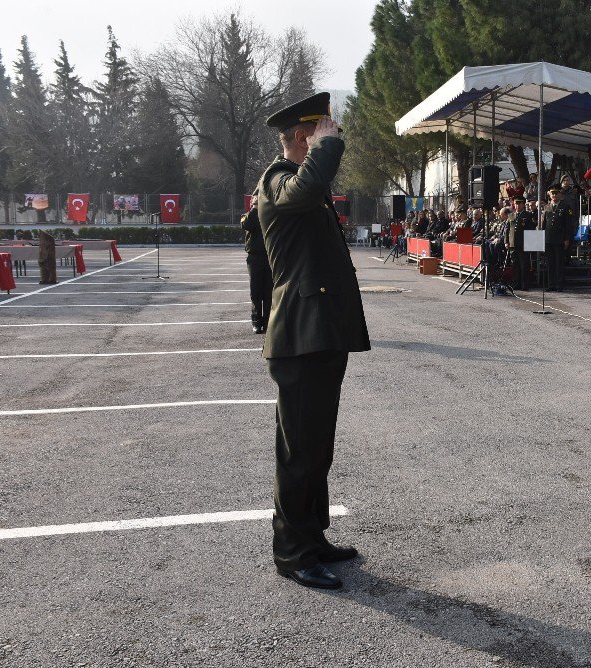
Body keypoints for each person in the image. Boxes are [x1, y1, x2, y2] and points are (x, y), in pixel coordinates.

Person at [256, 92, 371, 590]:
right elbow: (304, 189)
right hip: (299, 338)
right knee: (299, 450)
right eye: (325, 130)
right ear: (304, 137)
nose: (334, 134)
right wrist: (325, 151)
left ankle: (313, 536)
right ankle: (293, 552)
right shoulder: (278, 181)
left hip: (319, 333)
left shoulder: (304, 183)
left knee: (317, 447)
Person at [240, 194, 273, 334]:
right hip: (255, 258)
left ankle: (268, 322)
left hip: (270, 257)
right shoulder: (247, 216)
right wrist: (254, 208)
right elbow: (246, 225)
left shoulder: (269, 216)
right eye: (255, 201)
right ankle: (256, 321)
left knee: (268, 292)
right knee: (256, 291)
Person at [541, 187, 574, 291]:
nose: (554, 195)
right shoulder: (547, 207)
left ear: (559, 194)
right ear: (549, 195)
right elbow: (544, 224)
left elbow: (568, 225)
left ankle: (559, 285)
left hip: (560, 239)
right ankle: (551, 285)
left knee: (559, 263)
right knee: (550, 263)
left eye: (556, 193)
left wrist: (567, 238)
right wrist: (542, 237)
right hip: (549, 238)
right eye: (552, 194)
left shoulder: (565, 207)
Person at [507, 197, 533, 290]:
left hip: (523, 243)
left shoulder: (528, 215)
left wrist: (529, 243)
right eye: (516, 204)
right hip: (513, 243)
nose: (517, 205)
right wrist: (506, 241)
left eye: (519, 204)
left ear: (523, 204)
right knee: (515, 265)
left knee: (524, 265)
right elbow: (507, 230)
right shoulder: (511, 215)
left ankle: (524, 285)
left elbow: (531, 229)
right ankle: (516, 283)